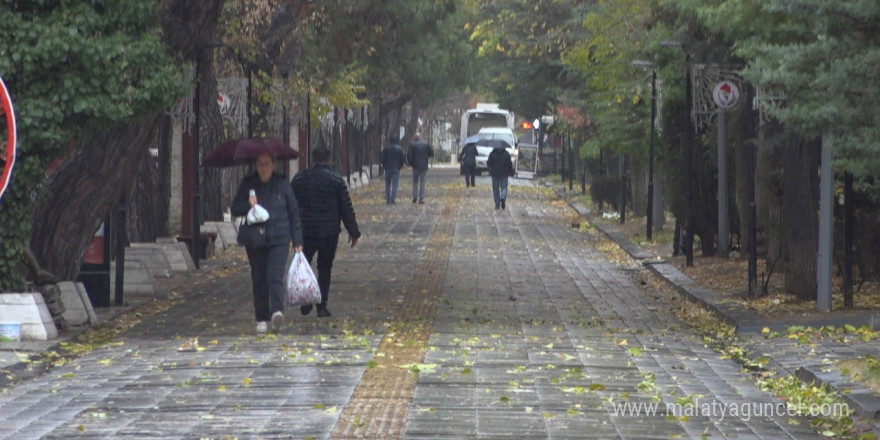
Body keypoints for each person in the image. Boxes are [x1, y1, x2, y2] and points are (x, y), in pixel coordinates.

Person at [231, 154, 303, 334]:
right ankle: (261, 318)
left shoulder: (283, 184)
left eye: (267, 164)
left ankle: (277, 311)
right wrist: (249, 205)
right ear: (256, 165)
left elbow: (293, 213)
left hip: (279, 237)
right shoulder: (248, 184)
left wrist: (297, 240)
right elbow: (235, 208)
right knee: (259, 278)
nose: (263, 167)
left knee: (275, 275)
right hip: (255, 239)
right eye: (260, 164)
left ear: (274, 164)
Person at [291, 147, 361, 317]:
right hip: (328, 232)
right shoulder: (336, 180)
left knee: (304, 265)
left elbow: (290, 205)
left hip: (305, 231)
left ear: (312, 160)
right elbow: (346, 207)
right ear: (330, 161)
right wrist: (353, 232)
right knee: (325, 268)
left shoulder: (299, 179)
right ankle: (321, 306)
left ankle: (306, 299)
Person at [406, 132, 433, 204]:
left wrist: (411, 163)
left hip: (415, 166)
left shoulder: (412, 145)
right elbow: (431, 153)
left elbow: (409, 155)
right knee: (422, 182)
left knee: (415, 182)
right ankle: (421, 198)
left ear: (415, 138)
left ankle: (414, 197)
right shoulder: (426, 144)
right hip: (424, 166)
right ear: (420, 137)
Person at [380, 135, 406, 204]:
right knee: (395, 184)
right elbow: (403, 159)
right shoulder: (400, 149)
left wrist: (385, 166)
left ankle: (388, 199)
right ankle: (393, 199)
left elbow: (382, 159)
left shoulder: (386, 149)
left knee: (387, 184)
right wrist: (399, 166)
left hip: (388, 168)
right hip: (396, 168)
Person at [487, 145, 514, 210]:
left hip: (495, 173)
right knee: (504, 187)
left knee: (495, 188)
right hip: (504, 173)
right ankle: (503, 198)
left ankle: (497, 204)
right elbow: (510, 164)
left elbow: (488, 163)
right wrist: (509, 171)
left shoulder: (492, 154)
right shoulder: (506, 154)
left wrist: (490, 168)